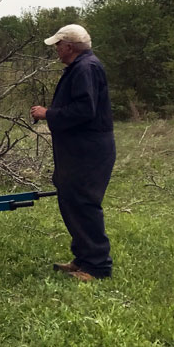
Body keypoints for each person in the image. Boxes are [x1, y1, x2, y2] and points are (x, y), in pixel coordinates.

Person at [30, 24, 115, 282]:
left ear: (68, 46)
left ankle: (97, 267)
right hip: (78, 150)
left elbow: (84, 110)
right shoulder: (80, 68)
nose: (56, 49)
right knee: (72, 201)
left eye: (58, 44)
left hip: (88, 151)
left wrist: (48, 114)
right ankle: (83, 259)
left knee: (84, 204)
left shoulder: (86, 68)